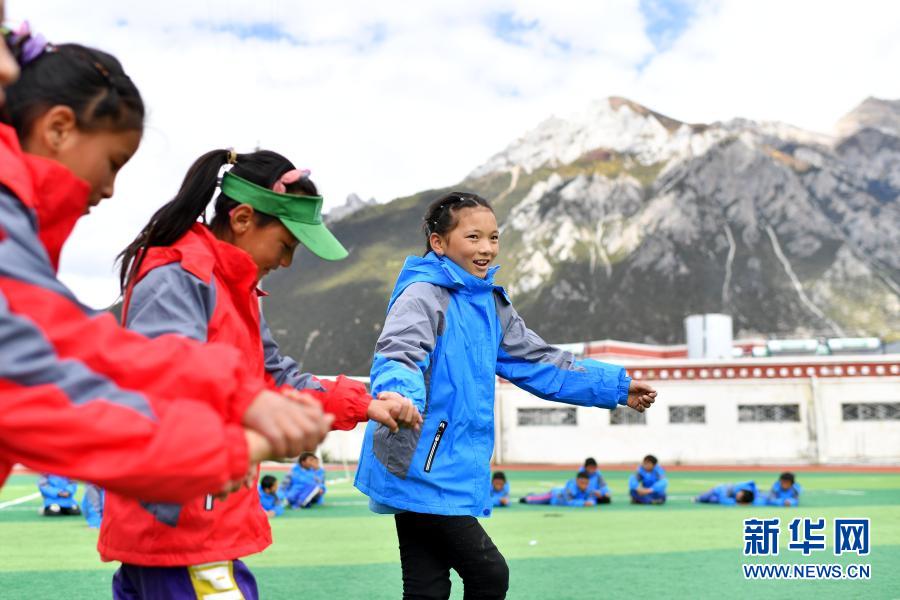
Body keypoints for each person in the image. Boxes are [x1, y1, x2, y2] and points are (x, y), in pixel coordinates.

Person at [0, 21, 328, 502]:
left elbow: (68, 342)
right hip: (181, 522)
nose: (110, 188)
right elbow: (39, 368)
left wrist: (244, 397)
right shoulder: (181, 271)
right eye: (112, 162)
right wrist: (214, 447)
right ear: (58, 128)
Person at [103, 148, 421, 598]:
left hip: (195, 521)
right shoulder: (181, 277)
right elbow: (165, 386)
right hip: (183, 524)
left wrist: (363, 404)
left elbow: (275, 376)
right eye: (286, 246)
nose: (287, 263)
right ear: (244, 219)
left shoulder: (235, 288)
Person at [354, 191, 658, 599]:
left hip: (445, 464)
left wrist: (616, 387)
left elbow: (538, 362)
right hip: (422, 460)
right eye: (473, 237)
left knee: (426, 589)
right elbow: (399, 354)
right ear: (438, 242)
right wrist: (399, 397)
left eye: (493, 238)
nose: (486, 248)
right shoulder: (422, 295)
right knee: (489, 574)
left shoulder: (490, 305)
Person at [520, 472, 596, 507]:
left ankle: (532, 495)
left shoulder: (589, 489)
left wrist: (590, 501)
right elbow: (568, 502)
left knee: (540, 498)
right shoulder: (570, 488)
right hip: (554, 496)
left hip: (557, 500)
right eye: (582, 483)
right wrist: (582, 503)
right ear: (577, 480)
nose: (584, 485)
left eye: (586, 483)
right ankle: (527, 498)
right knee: (538, 500)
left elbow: (592, 498)